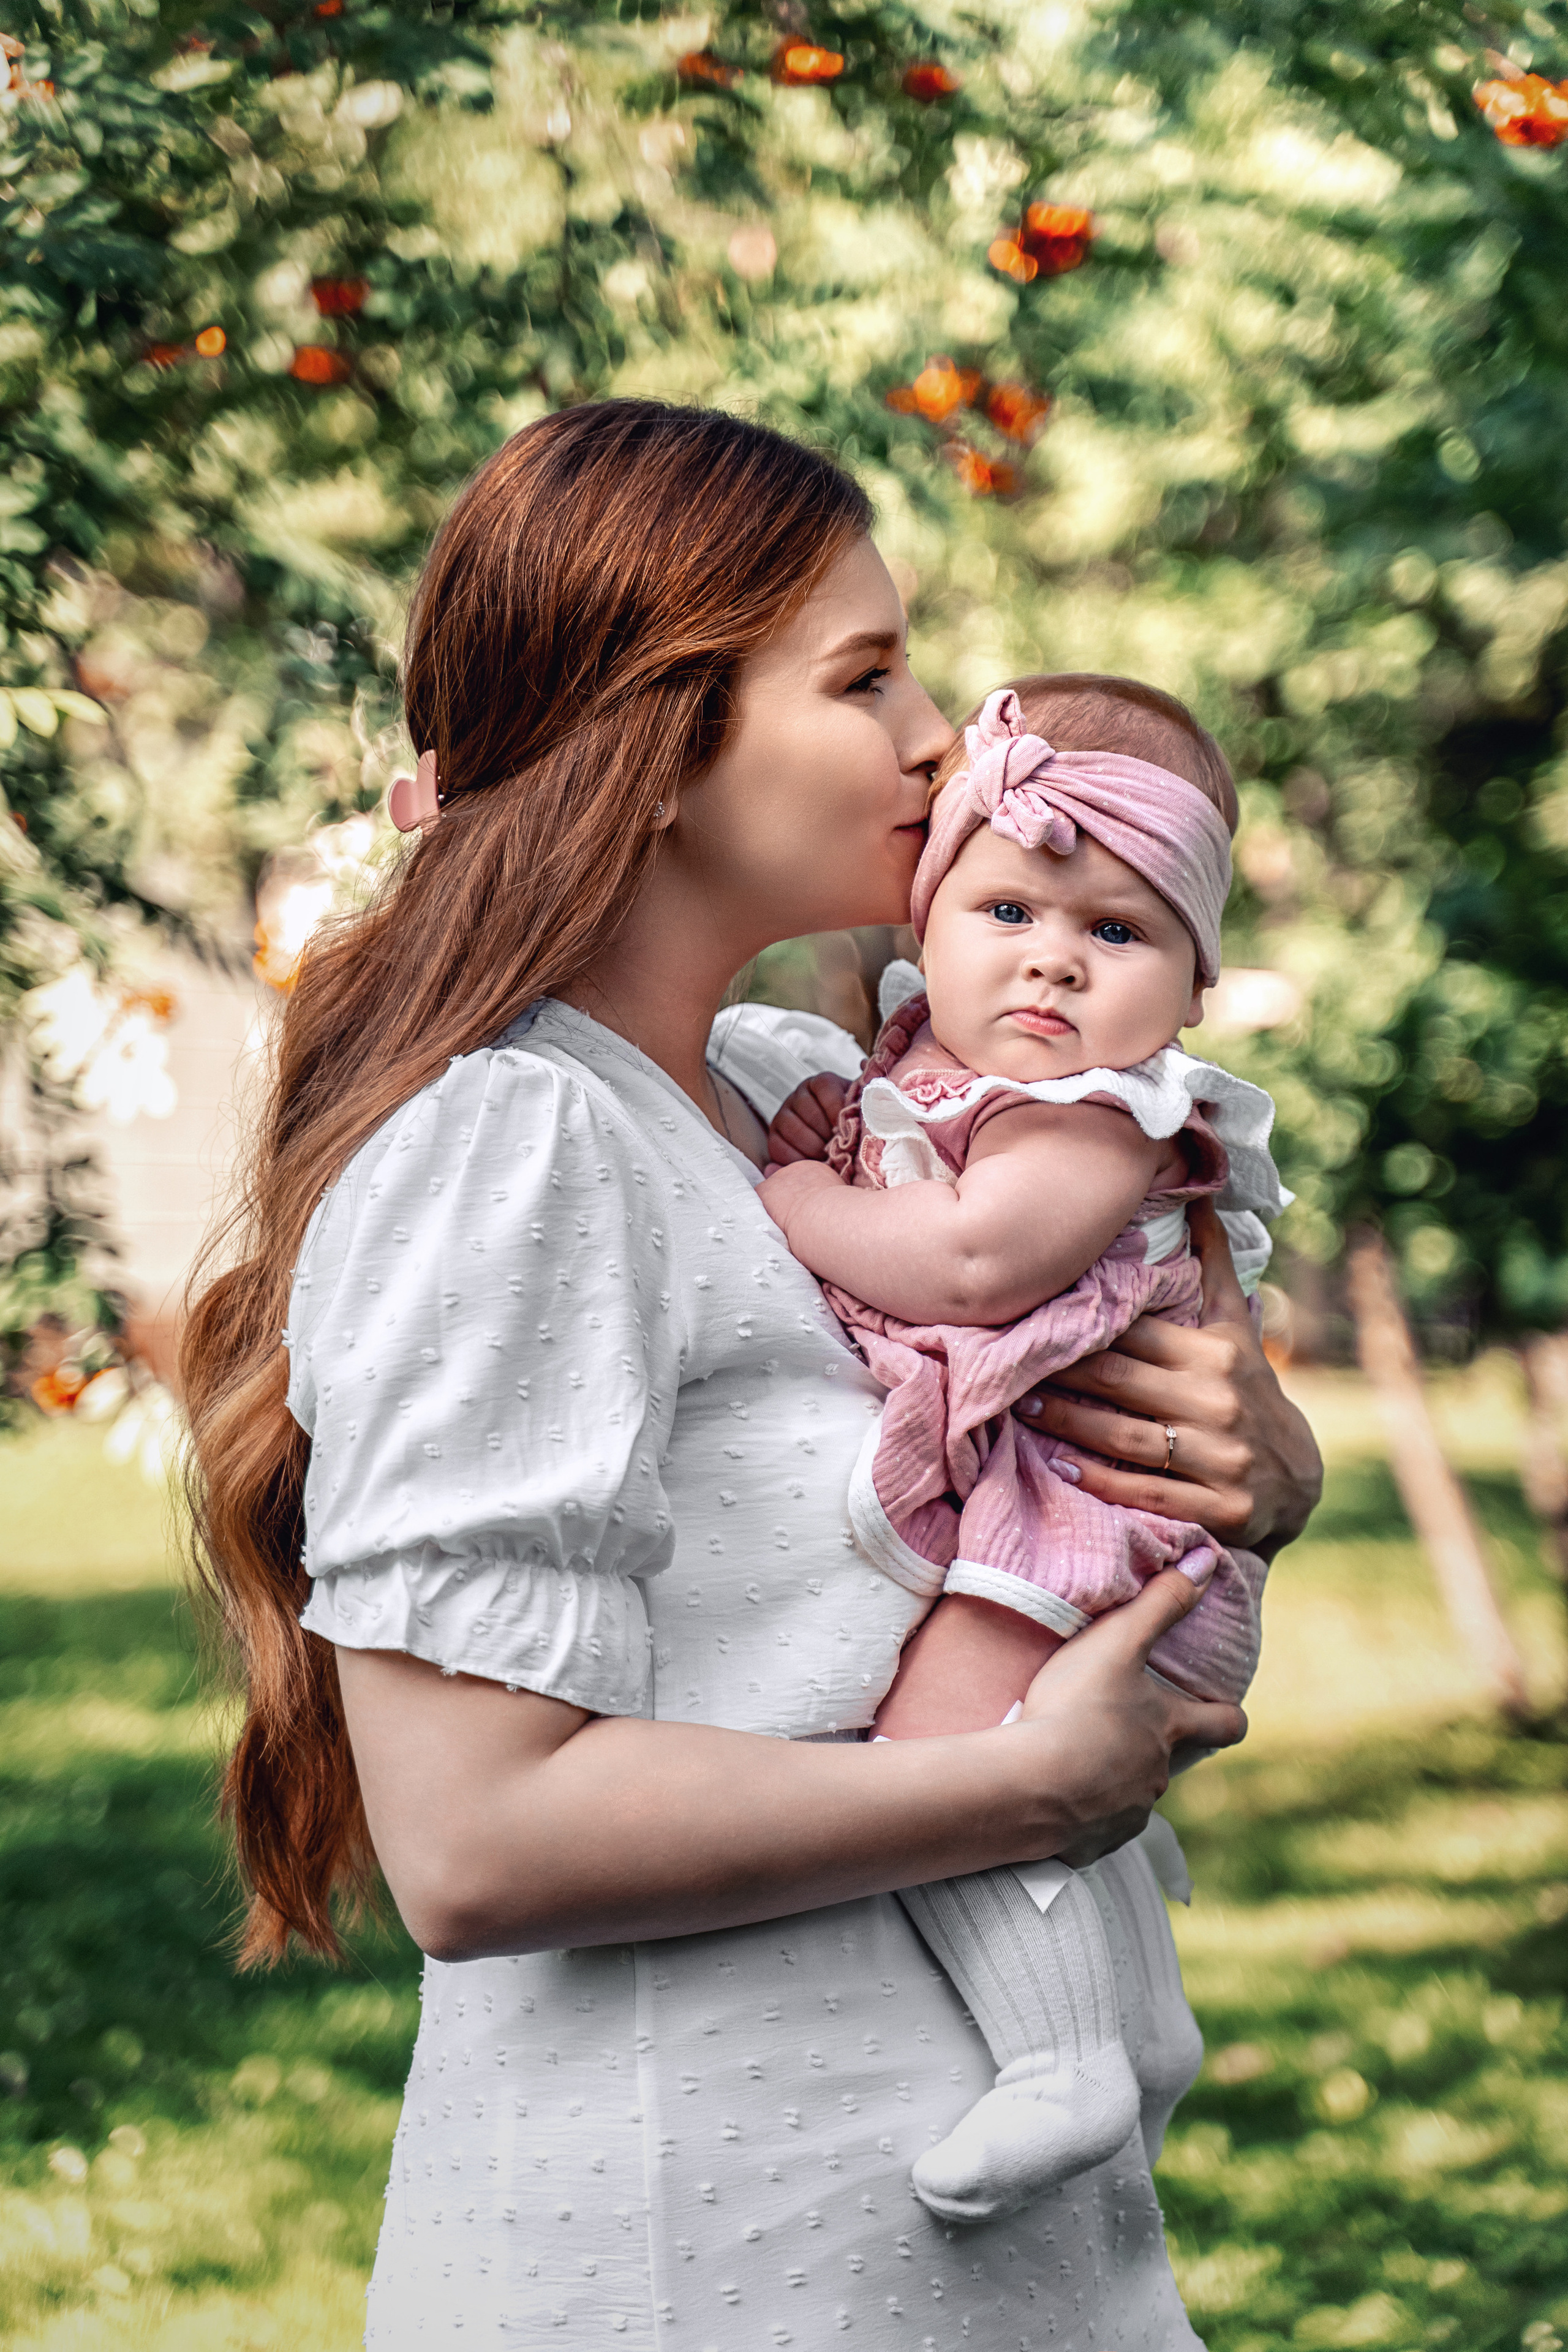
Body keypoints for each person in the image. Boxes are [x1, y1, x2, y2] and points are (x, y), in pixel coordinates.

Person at [181, 399, 1322, 2348]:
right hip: (699, 2243)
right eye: (865, 678)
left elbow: (1023, 1441)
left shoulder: (797, 1104)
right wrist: (1022, 1790)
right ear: (652, 749)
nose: (939, 738)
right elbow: (473, 1844)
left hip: (967, 2236)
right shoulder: (517, 1144)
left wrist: (1258, 1466)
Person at [756, 674, 1289, 2228]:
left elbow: (977, 1265)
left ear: (1190, 990)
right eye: (1005, 909)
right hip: (1059, 1512)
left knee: (945, 1769)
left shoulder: (1097, 1117)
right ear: (925, 921)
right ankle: (1136, 2023)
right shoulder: (926, 1070)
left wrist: (792, 1202)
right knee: (986, 1763)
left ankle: (1063, 2064)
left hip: (1100, 1525)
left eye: (1116, 932)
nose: (1052, 958)